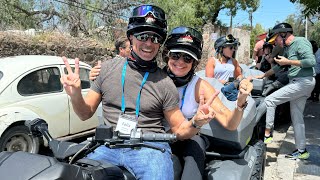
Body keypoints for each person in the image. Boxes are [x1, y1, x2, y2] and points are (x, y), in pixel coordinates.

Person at [60, 5, 215, 180]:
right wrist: (75, 94)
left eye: (155, 38)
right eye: (143, 36)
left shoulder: (165, 83)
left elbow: (179, 129)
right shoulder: (107, 69)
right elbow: (84, 113)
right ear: (131, 37)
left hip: (151, 148)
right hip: (109, 145)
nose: (148, 43)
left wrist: (196, 122)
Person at [162, 26, 252, 180]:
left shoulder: (200, 86)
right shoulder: (155, 80)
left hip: (189, 138)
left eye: (187, 58)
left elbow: (229, 123)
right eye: (175, 55)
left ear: (195, 62)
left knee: (195, 149)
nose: (180, 62)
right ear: (167, 56)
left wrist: (240, 101)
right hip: (159, 139)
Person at [254, 22, 315, 160]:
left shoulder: (301, 42)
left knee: (269, 100)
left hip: (303, 81)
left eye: (276, 39)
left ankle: (268, 133)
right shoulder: (287, 49)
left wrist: (289, 62)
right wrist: (262, 75)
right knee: (297, 118)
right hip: (299, 82)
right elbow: (279, 68)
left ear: (283, 34)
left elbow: (311, 61)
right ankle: (302, 150)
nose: (275, 43)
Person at [205, 34, 243, 101]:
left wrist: (237, 81)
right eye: (231, 47)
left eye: (234, 47)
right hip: (216, 92)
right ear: (221, 48)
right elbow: (209, 80)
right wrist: (224, 82)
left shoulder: (234, 61)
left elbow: (239, 75)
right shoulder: (212, 61)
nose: (233, 50)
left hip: (230, 92)